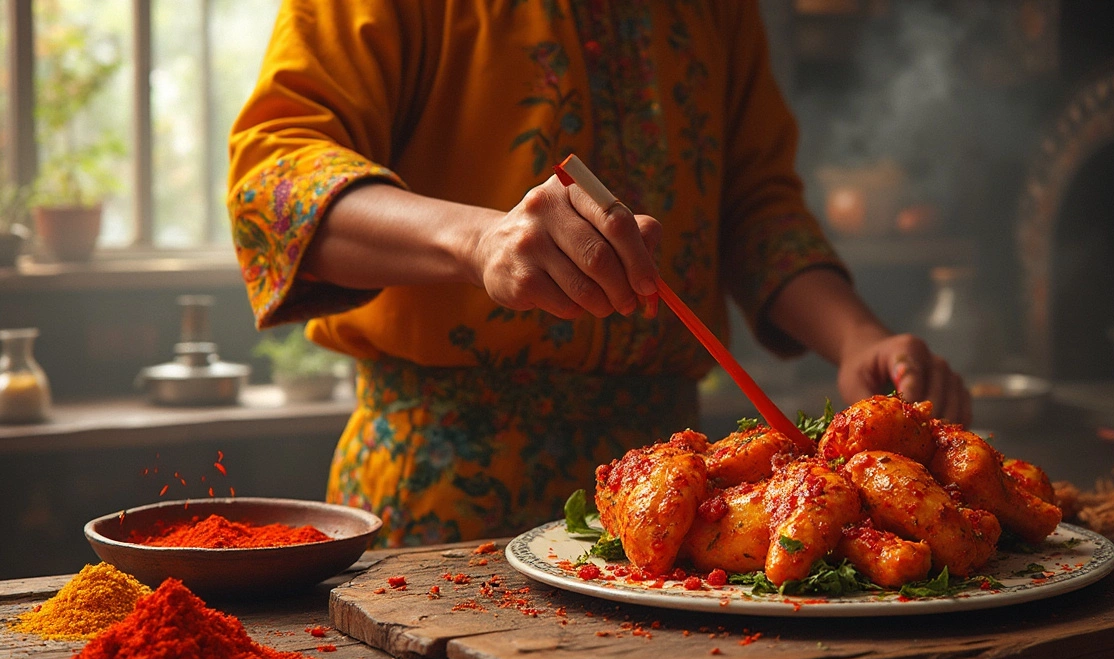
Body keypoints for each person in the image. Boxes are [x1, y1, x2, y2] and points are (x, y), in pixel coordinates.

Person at [227, 0, 969, 546]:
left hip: (682, 498)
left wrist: (856, 336)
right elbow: (274, 179)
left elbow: (753, 205)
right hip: (440, 492)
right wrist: (480, 242)